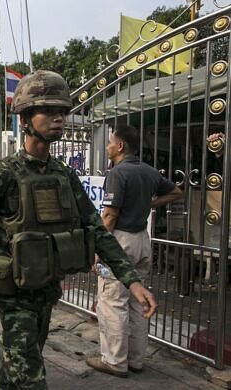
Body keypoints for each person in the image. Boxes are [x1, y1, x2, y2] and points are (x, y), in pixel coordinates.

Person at [0, 70, 158, 389]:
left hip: (46, 292)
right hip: (14, 296)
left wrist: (132, 282)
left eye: (62, 111)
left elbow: (98, 230)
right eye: (49, 111)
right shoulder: (3, 175)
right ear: (24, 119)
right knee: (33, 378)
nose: (59, 119)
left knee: (18, 369)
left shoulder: (64, 175)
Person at [86, 125, 183, 377]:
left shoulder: (118, 173)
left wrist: (97, 250)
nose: (107, 146)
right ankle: (136, 360)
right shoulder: (149, 172)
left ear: (120, 146)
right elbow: (176, 191)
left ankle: (115, 361)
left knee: (112, 301)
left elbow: (109, 216)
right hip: (142, 240)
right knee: (137, 302)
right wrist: (150, 203)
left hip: (120, 242)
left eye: (109, 142)